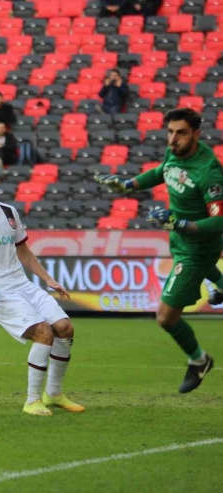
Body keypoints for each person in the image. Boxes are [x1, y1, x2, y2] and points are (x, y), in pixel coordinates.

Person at [95, 108, 221, 393]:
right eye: (170, 132)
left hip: (198, 247)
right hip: (179, 240)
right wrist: (129, 185)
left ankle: (199, 360)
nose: (173, 139)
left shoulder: (209, 170)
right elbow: (161, 172)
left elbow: (219, 220)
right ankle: (220, 284)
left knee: (165, 317)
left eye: (181, 133)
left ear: (197, 135)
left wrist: (181, 223)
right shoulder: (173, 153)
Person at [0, 159, 83, 416]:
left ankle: (54, 393)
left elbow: (23, 251)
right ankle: (32, 401)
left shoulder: (10, 213)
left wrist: (48, 279)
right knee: (44, 333)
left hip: (22, 284)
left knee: (65, 328)